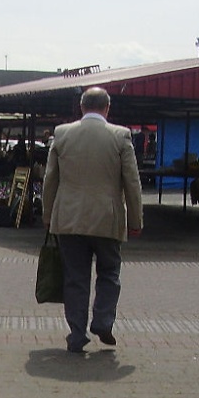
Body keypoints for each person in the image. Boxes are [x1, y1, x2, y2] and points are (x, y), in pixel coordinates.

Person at [42, 87, 144, 354]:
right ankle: (103, 320)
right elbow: (132, 182)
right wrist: (135, 219)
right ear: (107, 108)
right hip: (107, 219)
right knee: (109, 272)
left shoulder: (62, 134)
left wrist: (47, 215)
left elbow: (50, 180)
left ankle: (77, 334)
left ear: (81, 106)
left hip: (69, 218)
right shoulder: (121, 136)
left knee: (75, 277)